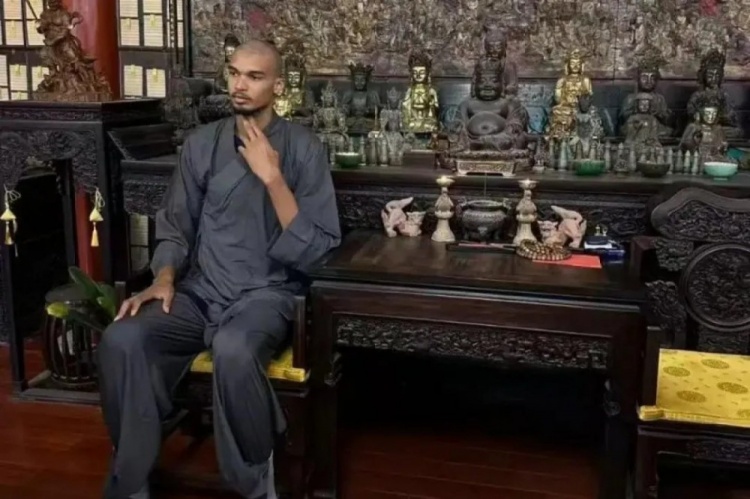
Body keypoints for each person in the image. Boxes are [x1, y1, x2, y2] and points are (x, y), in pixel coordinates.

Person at [96, 40, 341, 499]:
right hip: (201, 292)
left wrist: (273, 178)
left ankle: (256, 481)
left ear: (278, 86)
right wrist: (164, 278)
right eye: (233, 73)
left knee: (233, 348)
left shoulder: (304, 148)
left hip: (265, 295)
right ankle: (130, 479)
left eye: (254, 76)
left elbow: (316, 250)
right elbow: (176, 226)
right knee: (122, 338)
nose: (239, 85)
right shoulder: (201, 144)